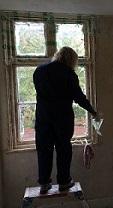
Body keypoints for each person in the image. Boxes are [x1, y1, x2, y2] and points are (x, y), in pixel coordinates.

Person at [33, 46, 99, 194]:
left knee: (44, 149)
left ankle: (44, 183)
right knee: (63, 149)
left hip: (43, 118)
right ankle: (63, 181)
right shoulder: (69, 74)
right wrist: (93, 112)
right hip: (62, 119)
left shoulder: (39, 71)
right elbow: (79, 98)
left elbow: (42, 93)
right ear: (71, 60)